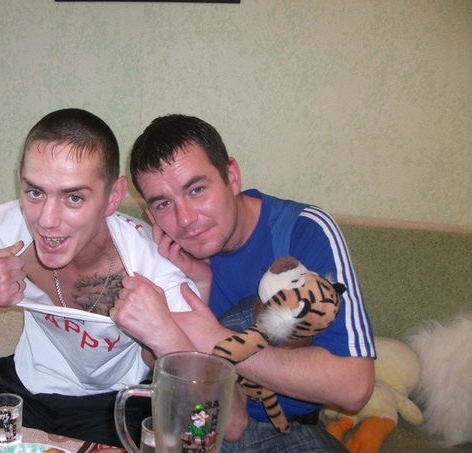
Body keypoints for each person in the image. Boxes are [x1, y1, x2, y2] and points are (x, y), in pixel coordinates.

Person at [0, 108, 207, 446]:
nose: (46, 220)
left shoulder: (152, 265)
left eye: (74, 197)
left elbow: (212, 414)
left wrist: (160, 337)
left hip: (111, 406)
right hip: (19, 391)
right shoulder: (4, 230)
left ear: (113, 197)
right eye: (35, 192)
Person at [111, 114, 376, 452]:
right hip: (200, 418)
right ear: (151, 214)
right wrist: (197, 285)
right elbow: (153, 356)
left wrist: (215, 340)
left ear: (232, 177)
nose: (186, 219)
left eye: (197, 190)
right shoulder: (165, 250)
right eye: (163, 204)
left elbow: (354, 387)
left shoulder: (303, 230)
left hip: (286, 431)